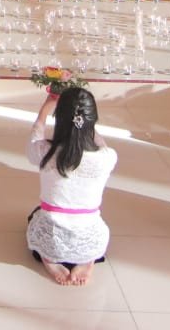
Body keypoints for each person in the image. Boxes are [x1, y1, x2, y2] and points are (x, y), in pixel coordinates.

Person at [26, 87, 118, 286]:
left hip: (53, 238)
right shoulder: (107, 157)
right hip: (90, 239)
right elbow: (100, 143)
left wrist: (45, 108)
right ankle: (88, 259)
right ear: (92, 121)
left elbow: (34, 137)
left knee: (37, 215)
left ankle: (49, 258)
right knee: (88, 225)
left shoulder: (44, 152)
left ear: (59, 120)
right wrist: (87, 124)